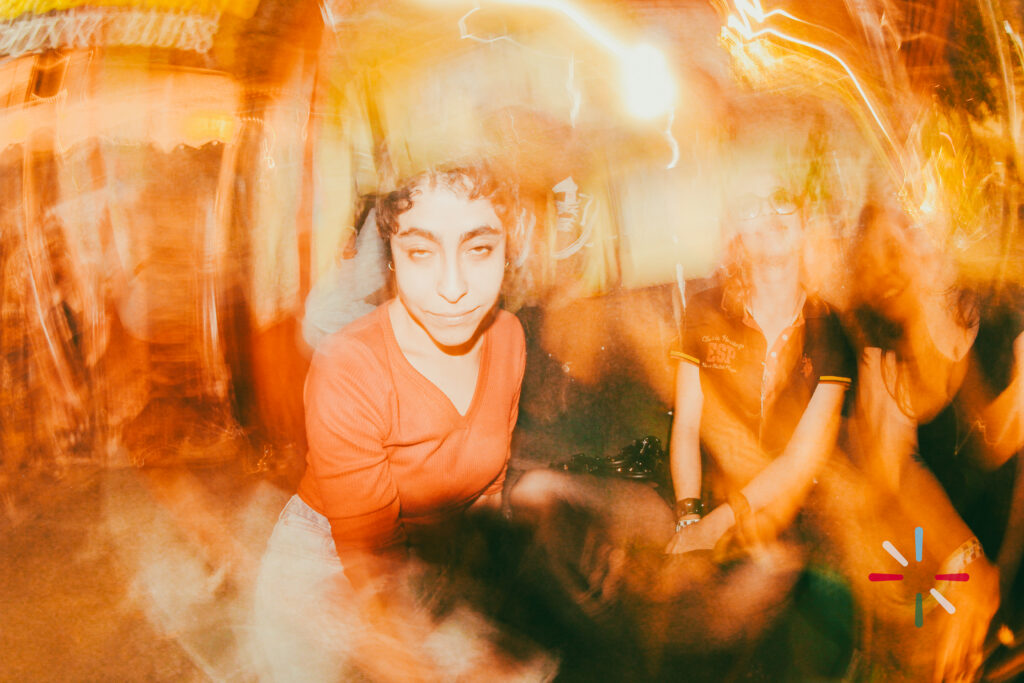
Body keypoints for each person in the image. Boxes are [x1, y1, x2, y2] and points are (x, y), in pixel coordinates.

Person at [251, 162, 530, 682]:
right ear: (392, 258)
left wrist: (478, 581)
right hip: (327, 559)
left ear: (506, 252)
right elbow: (371, 563)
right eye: (421, 251)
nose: (453, 287)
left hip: (438, 552)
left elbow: (490, 489)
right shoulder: (350, 366)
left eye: (478, 249)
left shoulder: (509, 336)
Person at [846, 196, 1020, 682]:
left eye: (896, 246)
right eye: (870, 260)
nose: (886, 270)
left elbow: (1001, 439)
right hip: (956, 568)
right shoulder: (882, 360)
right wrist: (963, 562)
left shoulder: (1001, 316)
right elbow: (891, 476)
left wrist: (986, 583)